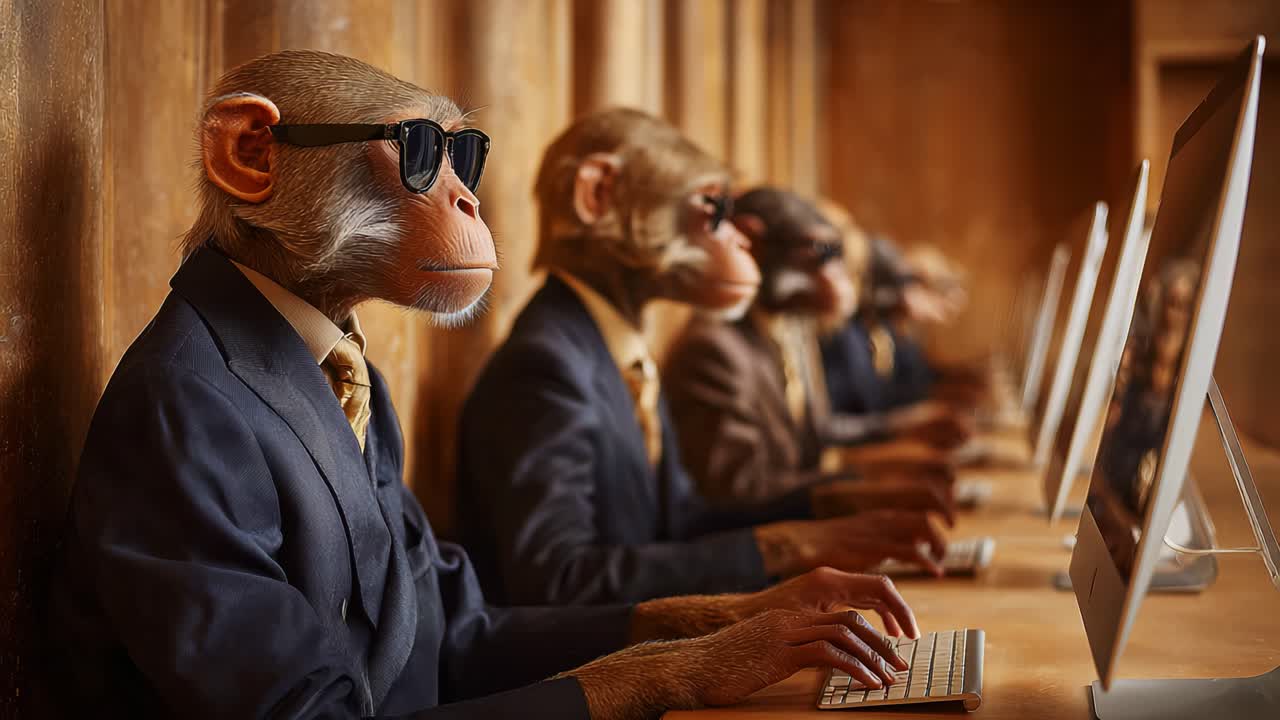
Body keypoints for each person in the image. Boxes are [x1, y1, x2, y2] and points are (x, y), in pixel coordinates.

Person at [50, 51, 916, 720]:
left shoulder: (338, 369)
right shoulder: (185, 401)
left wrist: (722, 622)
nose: (466, 200)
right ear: (250, 155)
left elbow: (459, 630)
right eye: (421, 151)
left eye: (465, 157)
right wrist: (668, 675)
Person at [457, 110, 949, 610]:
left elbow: (681, 519)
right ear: (598, 196)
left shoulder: (611, 349)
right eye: (712, 210)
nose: (737, 238)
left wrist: (835, 510)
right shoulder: (545, 362)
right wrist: (789, 546)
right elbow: (557, 581)